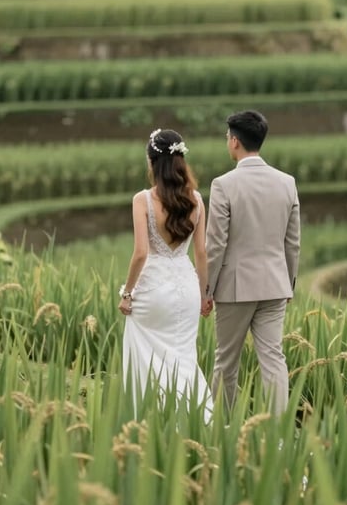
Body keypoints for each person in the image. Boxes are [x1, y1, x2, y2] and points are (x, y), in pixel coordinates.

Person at [204, 110, 300, 415]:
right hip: (275, 285)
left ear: (234, 141)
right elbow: (292, 242)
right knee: (274, 359)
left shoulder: (223, 185)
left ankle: (223, 429)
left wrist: (207, 289)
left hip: (234, 289)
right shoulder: (287, 182)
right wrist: (289, 283)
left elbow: (216, 243)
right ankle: (278, 433)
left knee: (226, 362)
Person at [118, 128, 213, 418]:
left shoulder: (142, 200)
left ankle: (150, 421)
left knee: (145, 357)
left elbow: (141, 253)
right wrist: (205, 294)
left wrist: (127, 293)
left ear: (152, 162)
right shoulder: (196, 199)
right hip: (186, 289)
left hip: (153, 290)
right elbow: (201, 253)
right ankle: (200, 418)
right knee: (184, 357)